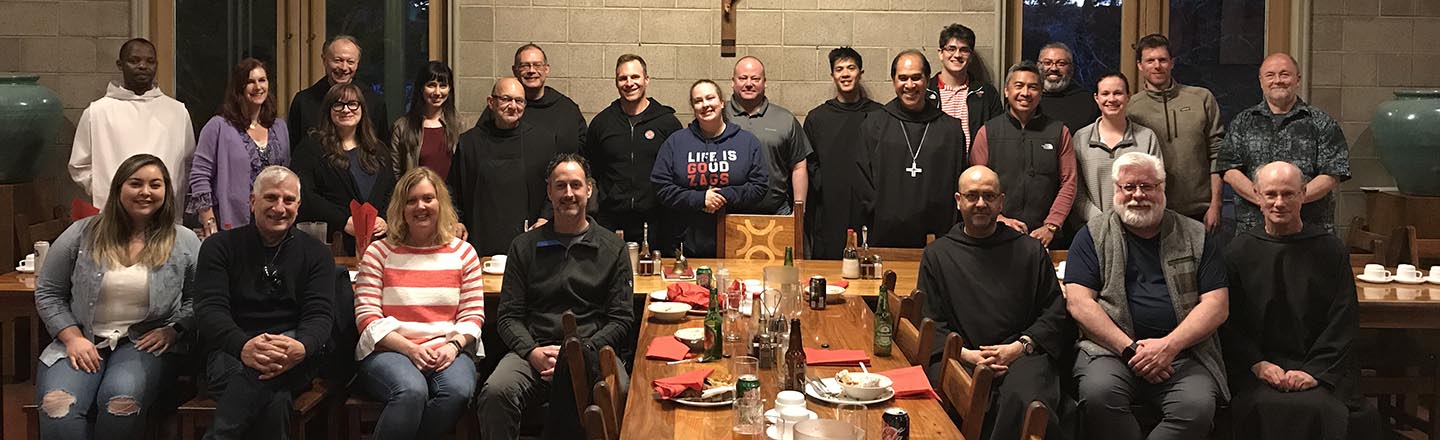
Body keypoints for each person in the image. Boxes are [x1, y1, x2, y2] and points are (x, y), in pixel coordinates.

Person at [34, 154, 201, 440]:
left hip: (143, 345)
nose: (145, 192)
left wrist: (174, 330)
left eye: (155, 184)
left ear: (166, 191)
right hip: (82, 339)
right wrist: (72, 338)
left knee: (120, 403)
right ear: (119, 188)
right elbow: (48, 291)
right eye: (135, 183)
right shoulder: (82, 233)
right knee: (57, 404)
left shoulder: (183, 240)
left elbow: (200, 298)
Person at [1065, 152, 1229, 440]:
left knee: (1197, 408)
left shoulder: (1196, 234)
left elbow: (1217, 306)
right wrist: (1131, 350)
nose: (1138, 195)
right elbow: (1079, 302)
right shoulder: (1092, 235)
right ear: (1116, 190)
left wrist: (1168, 347)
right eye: (1129, 187)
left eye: (1147, 186)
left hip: (1184, 354)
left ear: (1162, 189)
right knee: (1098, 395)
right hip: (1110, 352)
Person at [477, 154, 634, 440]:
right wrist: (532, 352)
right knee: (496, 392)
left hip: (593, 353)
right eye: (560, 186)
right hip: (534, 355)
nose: (569, 194)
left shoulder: (614, 248)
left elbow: (622, 320)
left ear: (589, 189)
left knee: (623, 395)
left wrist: (577, 354)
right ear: (549, 191)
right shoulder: (523, 247)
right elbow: (509, 316)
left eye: (576, 185)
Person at [918, 166, 1073, 440]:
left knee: (1027, 402)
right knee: (941, 396)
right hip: (962, 353)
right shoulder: (937, 255)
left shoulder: (1030, 251)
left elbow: (1054, 313)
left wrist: (1018, 347)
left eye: (989, 197)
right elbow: (930, 320)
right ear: (958, 200)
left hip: (1022, 354)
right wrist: (966, 354)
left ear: (1001, 202)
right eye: (972, 196)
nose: (981, 204)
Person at [194, 165, 336, 439]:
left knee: (265, 383)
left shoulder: (317, 253)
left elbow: (320, 315)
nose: (279, 208)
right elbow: (209, 309)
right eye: (271, 198)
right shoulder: (219, 247)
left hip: (293, 350)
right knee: (275, 401)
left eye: (288, 200)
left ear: (299, 205)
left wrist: (301, 346)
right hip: (230, 349)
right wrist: (243, 346)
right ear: (252, 202)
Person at [1222, 161, 1359, 440]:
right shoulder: (1238, 251)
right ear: (1257, 196)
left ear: (1304, 194)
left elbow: (1343, 319)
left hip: (1319, 368)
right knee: (1254, 406)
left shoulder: (1331, 250)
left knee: (1322, 409)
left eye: (1288, 194)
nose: (1279, 203)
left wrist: (1315, 372)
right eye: (1271, 194)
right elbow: (1230, 323)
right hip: (1257, 369)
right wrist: (1257, 363)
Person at [352, 167, 484, 440]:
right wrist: (411, 349)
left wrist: (453, 345)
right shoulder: (379, 252)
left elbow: (473, 316)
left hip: (448, 350)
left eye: (427, 199)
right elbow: (367, 317)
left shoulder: (464, 253)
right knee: (411, 391)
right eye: (411, 200)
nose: (420, 206)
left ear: (441, 203)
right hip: (391, 350)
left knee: (457, 391)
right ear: (400, 208)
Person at [1216, 53, 1351, 236]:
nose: (1277, 80)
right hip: (1254, 231)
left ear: (1298, 80)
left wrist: (1292, 202)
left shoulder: (1322, 123)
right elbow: (1229, 170)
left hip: (1310, 231)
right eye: (1270, 75)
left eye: (1285, 74)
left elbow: (1333, 174)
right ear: (1261, 81)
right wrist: (1265, 200)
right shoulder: (1242, 122)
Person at [856, 50, 969, 248]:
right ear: (893, 81)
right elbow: (863, 182)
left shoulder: (950, 130)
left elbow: (956, 184)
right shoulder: (874, 124)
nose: (909, 85)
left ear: (927, 80)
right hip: (884, 235)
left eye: (916, 78)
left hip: (936, 239)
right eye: (903, 78)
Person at [69, 38, 195, 213]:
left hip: (164, 213)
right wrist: (107, 190)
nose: (143, 66)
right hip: (114, 214)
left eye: (149, 61)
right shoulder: (97, 112)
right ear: (120, 65)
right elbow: (79, 166)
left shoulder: (177, 112)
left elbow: (188, 163)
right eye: (134, 60)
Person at [649, 79, 769, 257]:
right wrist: (700, 198)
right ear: (693, 107)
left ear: (721, 102)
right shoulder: (676, 142)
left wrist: (723, 196)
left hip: (737, 241)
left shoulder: (747, 142)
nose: (705, 105)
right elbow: (660, 186)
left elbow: (760, 186)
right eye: (698, 101)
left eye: (710, 98)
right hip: (684, 243)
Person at [449, 77, 566, 256]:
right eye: (506, 99)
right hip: (480, 241)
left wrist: (544, 218)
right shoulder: (469, 143)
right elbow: (453, 191)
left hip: (530, 240)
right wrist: (457, 221)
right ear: (491, 102)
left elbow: (555, 186)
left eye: (519, 101)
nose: (513, 106)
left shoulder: (543, 141)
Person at [970, 62, 1077, 248]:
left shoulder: (1059, 132)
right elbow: (976, 185)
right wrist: (1000, 219)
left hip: (1046, 238)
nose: (1025, 93)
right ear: (1006, 91)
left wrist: (1051, 226)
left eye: (1033, 87)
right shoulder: (988, 132)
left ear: (1041, 92)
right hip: (996, 234)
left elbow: (1069, 182)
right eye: (1018, 86)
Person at [582, 54, 683, 249]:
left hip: (658, 222)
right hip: (612, 222)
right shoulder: (602, 124)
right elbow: (593, 168)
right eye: (623, 78)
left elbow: (677, 170)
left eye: (635, 77)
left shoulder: (667, 123)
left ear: (646, 79)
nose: (629, 83)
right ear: (616, 82)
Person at [1126, 34, 1223, 231]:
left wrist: (1216, 204)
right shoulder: (1131, 108)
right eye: (1150, 61)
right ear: (1140, 65)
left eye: (1162, 60)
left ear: (1172, 63)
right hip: (1154, 209)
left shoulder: (1201, 98)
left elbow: (1218, 154)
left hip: (1201, 209)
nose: (1157, 66)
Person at [189, 58, 291, 237]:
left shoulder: (279, 126)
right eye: (250, 82)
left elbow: (285, 173)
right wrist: (209, 221)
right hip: (231, 223)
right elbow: (199, 175)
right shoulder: (218, 126)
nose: (258, 87)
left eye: (262, 80)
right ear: (239, 88)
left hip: (274, 220)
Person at [293, 83, 395, 255]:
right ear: (328, 110)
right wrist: (343, 221)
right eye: (338, 104)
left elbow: (392, 191)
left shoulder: (379, 150)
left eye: (353, 104)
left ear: (362, 109)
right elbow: (305, 195)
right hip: (331, 244)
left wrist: (384, 219)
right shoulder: (311, 147)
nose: (346, 110)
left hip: (377, 244)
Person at [803, 47, 884, 259]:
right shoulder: (817, 118)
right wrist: (825, 184)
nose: (845, 74)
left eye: (851, 68)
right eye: (839, 69)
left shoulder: (879, 115)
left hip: (867, 208)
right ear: (832, 75)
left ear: (860, 73)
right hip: (829, 208)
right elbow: (810, 164)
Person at [1072, 72, 1162, 226]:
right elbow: (1076, 191)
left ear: (1128, 96)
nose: (1111, 99)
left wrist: (1131, 217)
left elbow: (1156, 185)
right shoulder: (1081, 138)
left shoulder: (1146, 137)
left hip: (1137, 226)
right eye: (1105, 93)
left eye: (1118, 93)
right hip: (1094, 227)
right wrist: (1101, 221)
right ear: (1096, 98)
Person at [726, 56, 812, 215]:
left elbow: (799, 166)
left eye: (755, 78)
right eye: (743, 78)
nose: (749, 83)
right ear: (733, 82)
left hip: (777, 213)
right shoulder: (718, 116)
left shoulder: (785, 119)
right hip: (726, 215)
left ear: (765, 82)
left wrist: (798, 212)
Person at [479, 44, 586, 153]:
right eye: (525, 65)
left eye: (537, 65)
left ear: (546, 69)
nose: (531, 70)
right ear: (514, 70)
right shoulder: (502, 108)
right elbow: (481, 144)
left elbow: (582, 151)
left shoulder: (567, 109)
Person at [288, 35, 389, 148]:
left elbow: (381, 148)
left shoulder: (374, 102)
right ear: (324, 60)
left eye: (350, 62)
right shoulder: (303, 102)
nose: (344, 67)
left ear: (357, 63)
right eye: (338, 60)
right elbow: (294, 149)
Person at [926, 23, 1004, 152]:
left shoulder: (987, 94)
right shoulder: (925, 91)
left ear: (971, 56)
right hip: (934, 166)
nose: (957, 55)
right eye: (951, 49)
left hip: (974, 168)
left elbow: (998, 134)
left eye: (964, 50)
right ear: (941, 53)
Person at [389, 61, 461, 180]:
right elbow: (395, 173)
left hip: (450, 197)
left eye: (443, 86)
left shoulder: (459, 125)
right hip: (416, 196)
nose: (437, 92)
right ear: (421, 88)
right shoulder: (402, 127)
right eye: (431, 85)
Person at [1036, 42, 1100, 133]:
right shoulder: (1028, 99)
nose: (1054, 68)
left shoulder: (1088, 102)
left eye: (1061, 63)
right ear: (1038, 66)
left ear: (1071, 68)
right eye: (1047, 63)